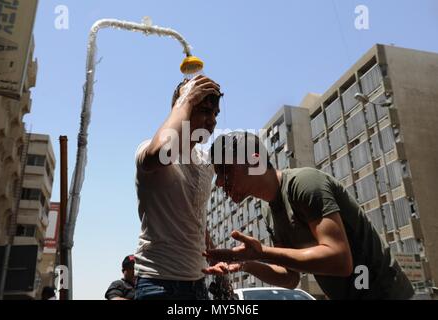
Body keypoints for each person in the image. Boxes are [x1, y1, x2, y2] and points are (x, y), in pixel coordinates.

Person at [203, 131, 414, 300]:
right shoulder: (269, 212)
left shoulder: (305, 184)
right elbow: (289, 278)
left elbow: (340, 260)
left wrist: (261, 252)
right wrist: (244, 263)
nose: (220, 182)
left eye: (225, 170)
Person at [134, 75, 223, 300]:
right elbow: (161, 150)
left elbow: (194, 218)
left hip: (198, 283)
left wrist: (213, 256)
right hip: (159, 284)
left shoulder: (206, 162)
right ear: (182, 107)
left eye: (215, 113)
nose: (212, 121)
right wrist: (186, 98)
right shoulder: (148, 149)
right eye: (203, 110)